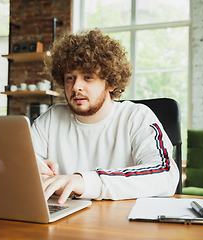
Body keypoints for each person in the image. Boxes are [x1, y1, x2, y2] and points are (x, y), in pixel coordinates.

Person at [30, 29, 179, 204]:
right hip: (64, 218)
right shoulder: (50, 119)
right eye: (70, 78)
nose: (76, 86)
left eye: (88, 77)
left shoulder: (137, 117)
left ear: (111, 83)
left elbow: (165, 175)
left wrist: (84, 182)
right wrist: (35, 170)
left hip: (122, 223)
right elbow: (14, 165)